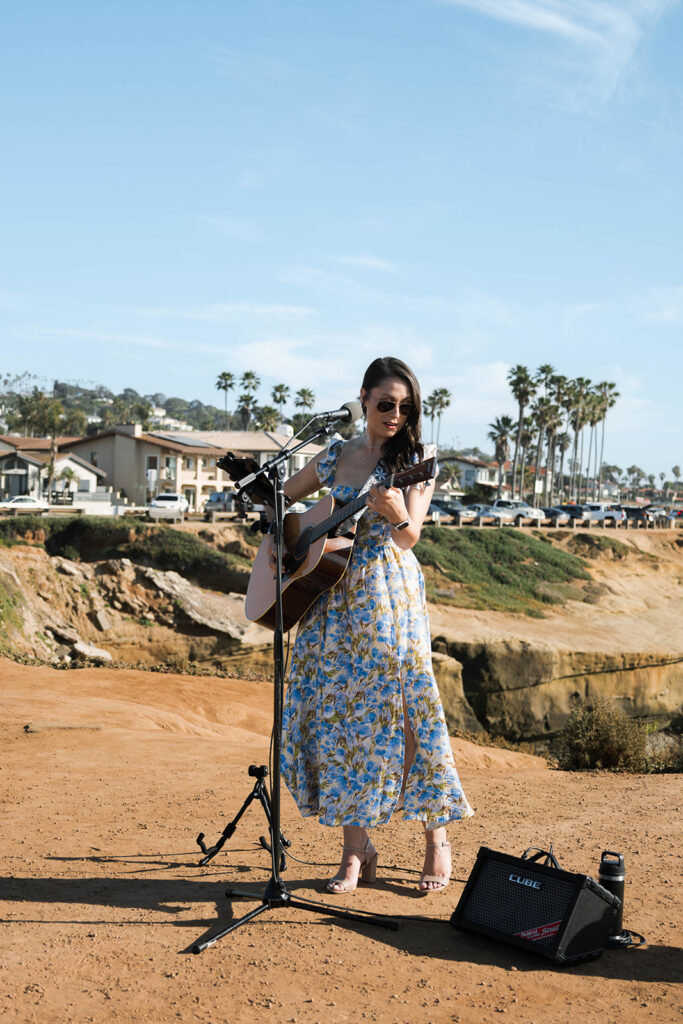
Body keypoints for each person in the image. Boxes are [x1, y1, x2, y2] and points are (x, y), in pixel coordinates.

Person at [279, 356, 473, 894]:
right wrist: (285, 540)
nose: (394, 414)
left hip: (387, 594)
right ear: (362, 397)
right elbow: (285, 501)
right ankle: (354, 851)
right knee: (341, 717)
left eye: (405, 406)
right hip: (329, 592)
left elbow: (411, 537)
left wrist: (392, 512)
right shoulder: (336, 454)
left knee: (410, 709)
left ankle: (436, 835)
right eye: (385, 403)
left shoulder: (417, 457)